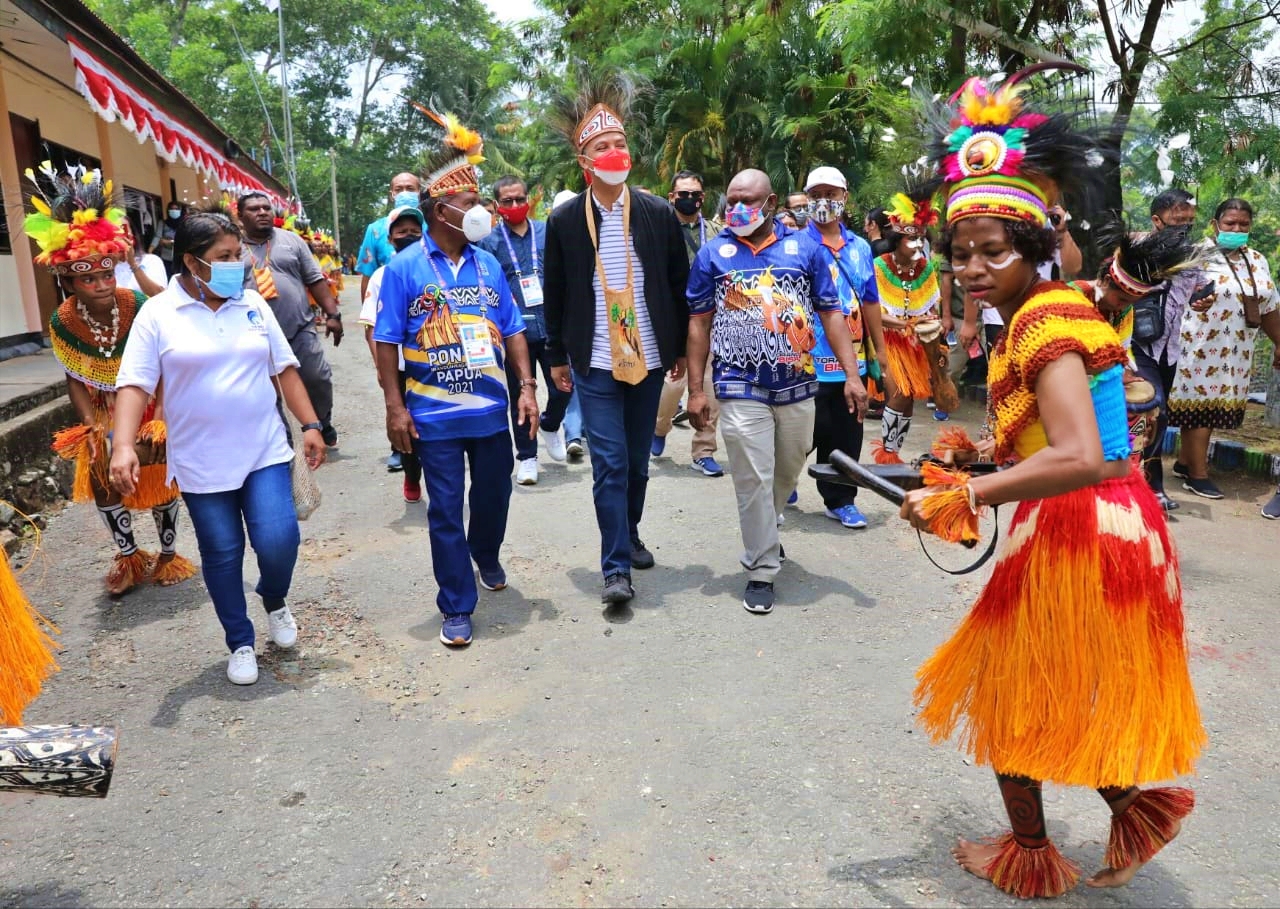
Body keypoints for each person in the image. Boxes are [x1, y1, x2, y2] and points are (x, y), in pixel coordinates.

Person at [898, 73, 1204, 900]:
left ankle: (1031, 855)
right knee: (1048, 693)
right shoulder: (1039, 313)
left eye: (993, 251)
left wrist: (974, 497)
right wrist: (978, 462)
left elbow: (1085, 452)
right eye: (960, 253)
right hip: (1098, 526)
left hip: (1085, 528)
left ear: (1033, 248)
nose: (972, 267)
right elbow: (1057, 441)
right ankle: (1136, 811)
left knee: (1008, 695)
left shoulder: (1043, 318)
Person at [110, 208, 327, 686]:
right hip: (201, 460)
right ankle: (240, 641)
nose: (238, 263)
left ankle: (274, 597)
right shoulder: (160, 314)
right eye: (224, 256)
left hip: (263, 449)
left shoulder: (252, 303)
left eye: (238, 253)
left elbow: (284, 369)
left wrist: (310, 423)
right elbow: (134, 384)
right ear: (191, 261)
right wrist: (122, 444)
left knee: (279, 539)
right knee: (223, 551)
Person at [374, 113, 537, 648]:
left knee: (494, 496)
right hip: (432, 415)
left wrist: (527, 388)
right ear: (441, 210)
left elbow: (513, 329)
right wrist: (395, 408)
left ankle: (485, 551)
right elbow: (386, 340)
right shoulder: (403, 270)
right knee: (444, 510)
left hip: (489, 411)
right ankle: (456, 604)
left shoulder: (489, 265)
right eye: (469, 204)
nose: (481, 212)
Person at [685, 168, 865, 614]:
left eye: (747, 199)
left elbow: (831, 312)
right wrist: (696, 390)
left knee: (786, 469)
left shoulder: (805, 248)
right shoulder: (714, 253)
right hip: (737, 382)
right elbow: (699, 322)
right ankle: (761, 567)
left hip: (798, 384)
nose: (737, 208)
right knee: (751, 477)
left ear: (769, 203)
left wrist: (853, 375)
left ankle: (771, 521)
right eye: (731, 199)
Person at [543, 75, 690, 606]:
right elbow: (555, 293)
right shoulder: (562, 221)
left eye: (621, 142)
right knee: (609, 464)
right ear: (585, 162)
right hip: (597, 360)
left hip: (649, 358)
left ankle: (628, 531)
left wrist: (677, 351)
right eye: (602, 146)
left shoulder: (656, 214)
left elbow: (677, 284)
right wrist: (557, 356)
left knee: (636, 461)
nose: (615, 151)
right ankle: (615, 568)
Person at [25, 169, 197, 596]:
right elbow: (75, 378)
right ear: (68, 280)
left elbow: (163, 358)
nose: (102, 285)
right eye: (88, 278)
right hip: (101, 409)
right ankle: (127, 557)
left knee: (158, 481)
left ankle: (169, 554)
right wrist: (91, 427)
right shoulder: (63, 321)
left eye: (106, 275)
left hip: (149, 404)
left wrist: (161, 414)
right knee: (103, 476)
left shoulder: (135, 304)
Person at [1069, 225, 1204, 495]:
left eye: (1130, 300)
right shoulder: (1073, 296)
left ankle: (1127, 484)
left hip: (1094, 381)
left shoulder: (1124, 310)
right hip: (1065, 382)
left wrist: (1127, 372)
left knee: (1149, 411)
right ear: (1105, 281)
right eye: (1121, 298)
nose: (1123, 305)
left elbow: (1123, 349)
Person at [1166, 198, 1280, 501]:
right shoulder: (1196, 255)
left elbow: (1270, 305)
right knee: (1200, 410)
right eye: (1230, 223)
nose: (1237, 229)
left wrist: (1279, 341)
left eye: (1244, 224)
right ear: (1216, 224)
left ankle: (1186, 462)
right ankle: (1197, 476)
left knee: (1215, 410)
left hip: (1237, 351)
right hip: (1198, 347)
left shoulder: (1257, 259)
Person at [803, 165, 889, 529]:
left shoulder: (861, 248)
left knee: (847, 429)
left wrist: (881, 351)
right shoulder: (795, 244)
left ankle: (841, 498)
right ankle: (781, 483)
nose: (824, 201)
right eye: (816, 194)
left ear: (844, 197)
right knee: (802, 430)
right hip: (805, 358)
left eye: (831, 194)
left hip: (852, 358)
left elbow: (870, 300)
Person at [479, 175, 572, 485]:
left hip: (552, 327)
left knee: (562, 389)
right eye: (508, 201)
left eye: (520, 199)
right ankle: (528, 457)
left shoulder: (549, 233)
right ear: (496, 205)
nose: (516, 205)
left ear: (529, 200)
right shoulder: (488, 243)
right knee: (520, 393)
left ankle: (549, 424)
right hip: (514, 333)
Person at [238, 192, 344, 447]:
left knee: (317, 377)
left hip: (299, 327)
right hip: (251, 333)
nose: (262, 212)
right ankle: (282, 438)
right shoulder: (232, 247)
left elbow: (315, 279)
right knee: (266, 390)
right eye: (254, 209)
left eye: (266, 207)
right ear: (240, 216)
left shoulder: (292, 241)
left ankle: (322, 422)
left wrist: (333, 315)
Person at [652, 169, 723, 477]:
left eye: (695, 194)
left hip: (710, 319)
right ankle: (659, 427)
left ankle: (704, 450)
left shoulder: (717, 231)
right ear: (672, 197)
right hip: (675, 320)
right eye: (683, 194)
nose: (690, 199)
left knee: (710, 387)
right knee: (672, 384)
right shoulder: (659, 229)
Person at [871, 187, 948, 462]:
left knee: (910, 399)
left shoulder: (926, 268)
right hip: (887, 341)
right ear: (897, 239)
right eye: (910, 240)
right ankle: (887, 453)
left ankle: (894, 453)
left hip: (915, 343)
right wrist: (910, 323)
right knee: (901, 393)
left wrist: (931, 323)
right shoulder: (879, 266)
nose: (917, 245)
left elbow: (931, 308)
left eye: (920, 239)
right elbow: (874, 314)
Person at [358, 205, 425, 502]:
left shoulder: (431, 270)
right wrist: (380, 369)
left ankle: (438, 477)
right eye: (402, 232)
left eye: (414, 231)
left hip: (431, 364)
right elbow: (371, 327)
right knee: (405, 425)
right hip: (397, 367)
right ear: (390, 238)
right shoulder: (381, 276)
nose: (408, 236)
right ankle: (412, 474)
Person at [356, 172, 422, 299]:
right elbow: (368, 275)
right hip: (388, 301)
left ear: (419, 193)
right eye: (398, 189)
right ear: (392, 195)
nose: (404, 193)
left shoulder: (432, 227)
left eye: (410, 188)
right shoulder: (375, 230)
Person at [114, 223, 167, 297]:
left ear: (133, 236)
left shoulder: (151, 260)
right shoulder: (107, 267)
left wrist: (132, 263)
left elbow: (159, 294)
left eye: (123, 230)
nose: (120, 239)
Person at [156, 201, 184, 277]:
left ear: (180, 211)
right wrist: (150, 250)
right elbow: (157, 237)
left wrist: (172, 242)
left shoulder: (185, 223)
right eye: (172, 209)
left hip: (181, 257)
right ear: (168, 210)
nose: (174, 211)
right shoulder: (163, 223)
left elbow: (188, 238)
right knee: (168, 278)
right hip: (166, 257)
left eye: (176, 209)